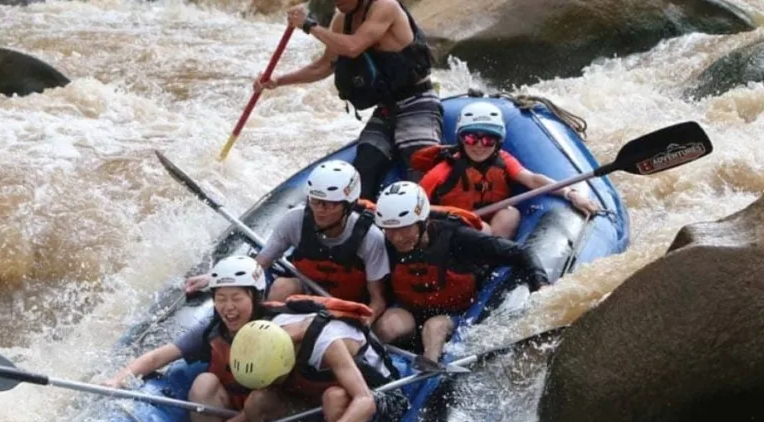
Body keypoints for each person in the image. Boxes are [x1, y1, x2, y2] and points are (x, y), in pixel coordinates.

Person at [255, 0, 441, 199]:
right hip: (386, 108)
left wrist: (308, 25)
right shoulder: (342, 19)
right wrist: (279, 80)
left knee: (422, 169)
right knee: (364, 167)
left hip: (417, 100)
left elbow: (353, 47)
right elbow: (325, 66)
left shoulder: (385, 7)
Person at [185, 160, 390, 320]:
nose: (320, 210)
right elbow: (259, 264)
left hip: (350, 305)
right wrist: (214, 277)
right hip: (306, 296)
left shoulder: (370, 238)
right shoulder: (295, 220)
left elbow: (378, 300)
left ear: (348, 206)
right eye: (315, 201)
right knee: (282, 286)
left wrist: (363, 326)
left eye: (329, 205)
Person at [371, 181, 550, 362]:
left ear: (423, 221)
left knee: (434, 327)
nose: (398, 238)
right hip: (410, 311)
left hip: (454, 314)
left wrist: (541, 285)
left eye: (405, 228)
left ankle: (428, 372)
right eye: (390, 231)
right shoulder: (383, 241)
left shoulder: (458, 238)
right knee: (387, 327)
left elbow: (521, 252)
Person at [100, 255, 266, 422]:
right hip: (230, 409)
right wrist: (117, 380)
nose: (228, 307)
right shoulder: (212, 329)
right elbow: (158, 357)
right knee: (204, 382)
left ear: (256, 298)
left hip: (268, 415)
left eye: (237, 298)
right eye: (221, 298)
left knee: (262, 398)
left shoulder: (279, 327)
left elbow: (272, 399)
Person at [219, 299, 408, 422]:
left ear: (285, 361)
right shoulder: (267, 330)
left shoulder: (327, 343)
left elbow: (365, 401)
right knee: (258, 401)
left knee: (335, 397)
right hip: (319, 404)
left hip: (382, 395)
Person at [416, 102, 602, 239]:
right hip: (453, 229)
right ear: (461, 140)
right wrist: (456, 216)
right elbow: (415, 207)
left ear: (498, 142)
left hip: (491, 228)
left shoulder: (503, 160)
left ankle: (493, 271)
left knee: (510, 213)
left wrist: (570, 194)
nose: (480, 146)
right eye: (472, 138)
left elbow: (533, 180)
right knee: (484, 230)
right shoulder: (442, 172)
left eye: (489, 140)